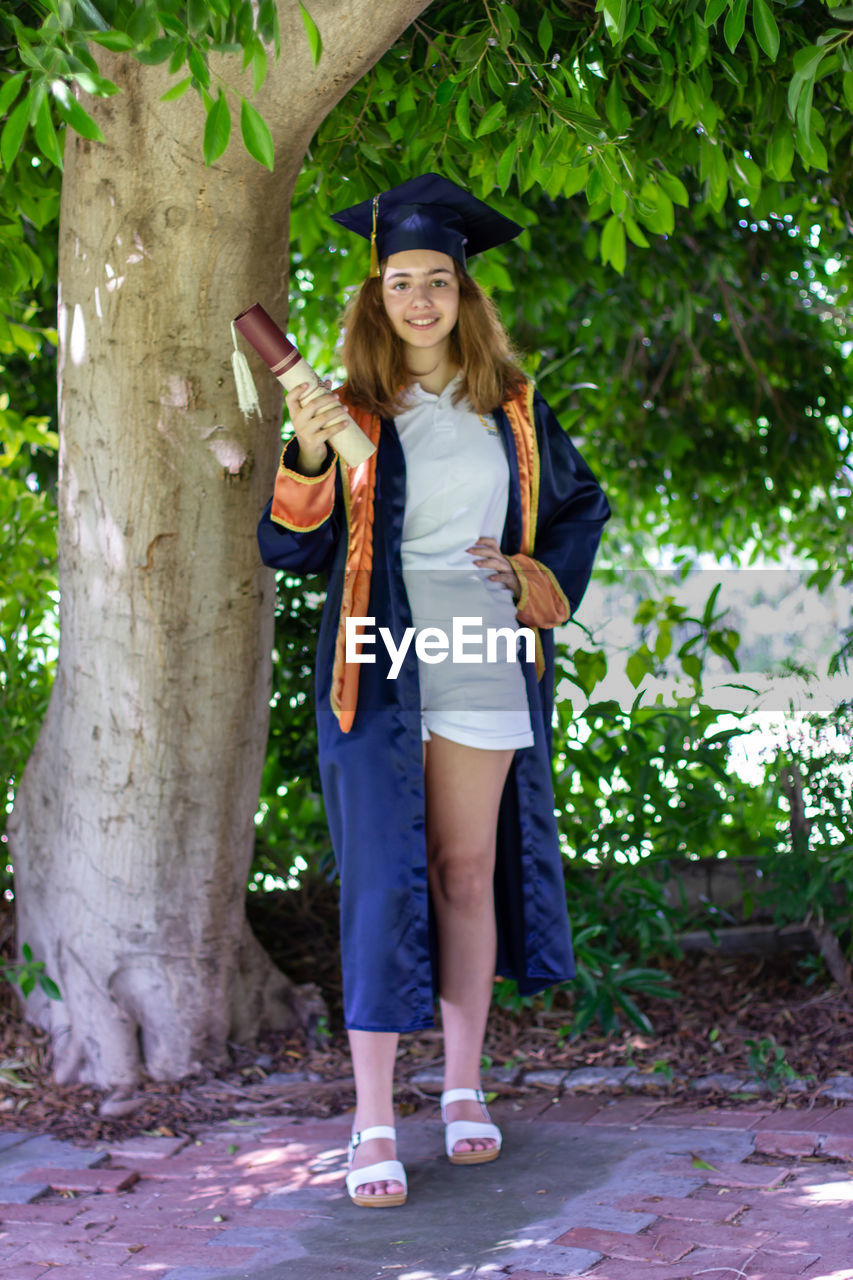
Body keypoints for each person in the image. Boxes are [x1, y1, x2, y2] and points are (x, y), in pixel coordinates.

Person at [257, 174, 610, 1208]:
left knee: (462, 869)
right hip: (380, 648)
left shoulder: (515, 407)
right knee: (379, 871)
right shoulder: (351, 409)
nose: (419, 297)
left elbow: (579, 509)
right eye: (399, 279)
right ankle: (371, 1114)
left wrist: (529, 573)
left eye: (437, 280)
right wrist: (312, 446)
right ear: (376, 293)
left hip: (481, 644)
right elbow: (293, 546)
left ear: (464, 292)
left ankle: (460, 1086)